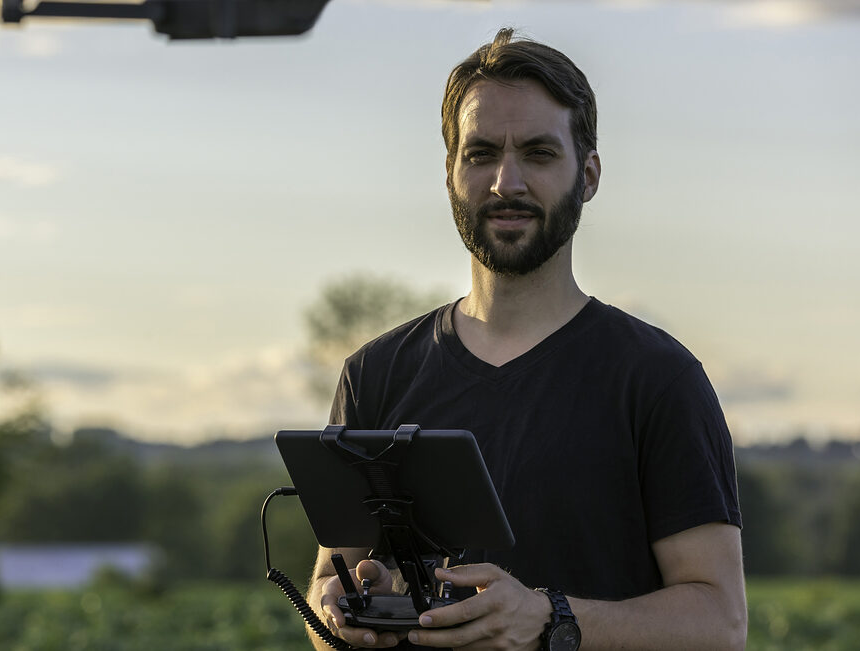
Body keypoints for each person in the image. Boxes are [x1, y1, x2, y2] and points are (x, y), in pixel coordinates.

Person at [305, 29, 747, 651]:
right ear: (451, 172)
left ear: (588, 175)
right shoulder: (374, 375)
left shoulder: (656, 379)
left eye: (538, 153)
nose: (505, 182)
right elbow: (328, 587)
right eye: (481, 153)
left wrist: (546, 619)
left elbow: (720, 623)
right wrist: (340, 615)